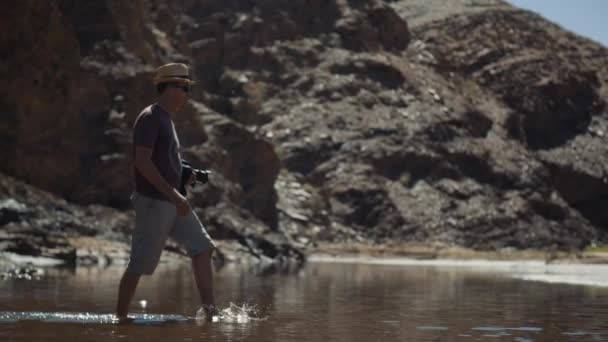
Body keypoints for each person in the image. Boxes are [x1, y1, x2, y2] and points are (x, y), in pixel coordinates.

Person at [115, 63, 217, 322]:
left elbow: (164, 161)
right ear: (168, 88)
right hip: (155, 202)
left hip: (173, 201)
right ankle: (121, 320)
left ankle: (210, 313)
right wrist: (174, 194)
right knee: (141, 263)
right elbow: (142, 162)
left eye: (187, 88)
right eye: (183, 88)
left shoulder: (167, 120)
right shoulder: (150, 117)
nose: (187, 94)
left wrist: (186, 174)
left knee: (202, 248)